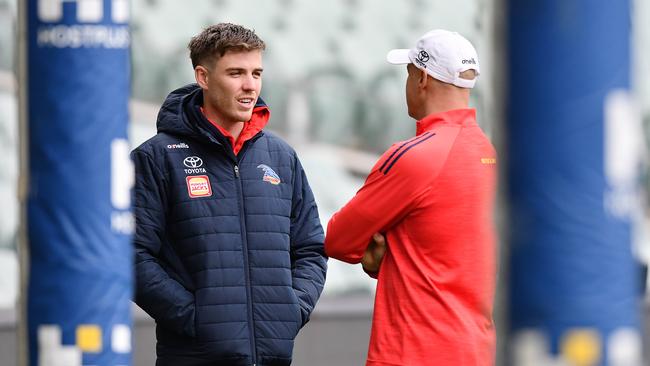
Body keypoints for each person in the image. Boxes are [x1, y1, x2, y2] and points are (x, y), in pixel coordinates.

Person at [132, 23, 327, 366]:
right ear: (203, 77)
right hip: (193, 355)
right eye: (236, 73)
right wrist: (195, 318)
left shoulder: (282, 157)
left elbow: (310, 247)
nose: (250, 85)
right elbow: (130, 254)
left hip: (273, 355)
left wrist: (291, 309)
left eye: (256, 73)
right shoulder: (157, 157)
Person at [325, 29, 498, 365]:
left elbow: (337, 239)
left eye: (408, 74)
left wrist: (380, 255)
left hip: (413, 352)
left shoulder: (413, 156)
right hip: (475, 351)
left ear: (422, 79)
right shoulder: (489, 153)